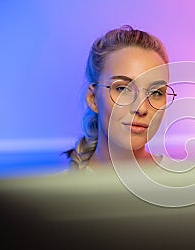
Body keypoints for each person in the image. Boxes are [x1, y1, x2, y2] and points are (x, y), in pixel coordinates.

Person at [65, 25, 176, 171]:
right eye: (123, 89)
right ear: (93, 98)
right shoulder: (54, 191)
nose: (141, 108)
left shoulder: (187, 183)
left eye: (156, 93)